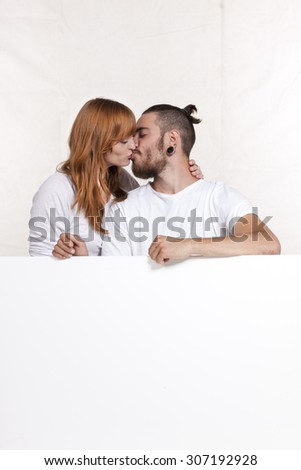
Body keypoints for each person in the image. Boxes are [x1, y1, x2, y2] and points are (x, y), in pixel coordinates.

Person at [54, 103, 281, 262]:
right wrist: (82, 263)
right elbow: (111, 281)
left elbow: (268, 244)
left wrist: (190, 245)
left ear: (172, 139)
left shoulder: (219, 197)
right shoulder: (123, 207)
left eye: (141, 134)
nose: (133, 145)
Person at [29, 98, 202, 256]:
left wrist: (189, 184)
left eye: (134, 137)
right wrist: (78, 261)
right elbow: (39, 260)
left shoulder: (125, 182)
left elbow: (156, 218)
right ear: (97, 142)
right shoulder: (57, 189)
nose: (134, 146)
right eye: (123, 141)